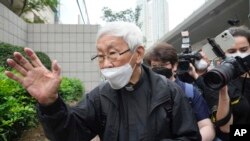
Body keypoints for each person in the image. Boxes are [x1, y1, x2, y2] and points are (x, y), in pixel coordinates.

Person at [5, 21, 201, 141]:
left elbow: (190, 137)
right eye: (100, 56)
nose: (106, 64)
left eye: (113, 54)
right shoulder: (99, 96)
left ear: (138, 53)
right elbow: (70, 135)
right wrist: (50, 104)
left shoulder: (168, 92)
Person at [188, 26, 250, 141]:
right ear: (223, 54)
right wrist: (223, 91)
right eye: (231, 51)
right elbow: (226, 128)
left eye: (244, 49)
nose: (238, 55)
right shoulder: (217, 80)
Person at [144, 42, 215, 141]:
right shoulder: (144, 92)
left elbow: (206, 126)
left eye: (164, 64)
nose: (159, 69)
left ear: (175, 66)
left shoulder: (189, 91)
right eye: (155, 66)